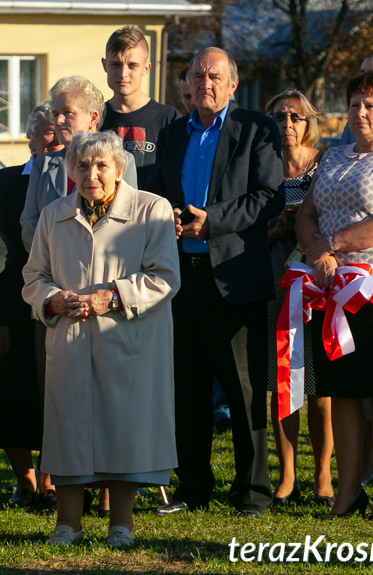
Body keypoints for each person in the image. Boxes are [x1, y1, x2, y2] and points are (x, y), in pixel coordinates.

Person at [22, 130, 179, 547]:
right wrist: (54, 300)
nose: (91, 174)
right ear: (70, 169)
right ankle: (67, 523)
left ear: (119, 168)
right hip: (70, 339)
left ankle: (121, 524)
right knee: (68, 425)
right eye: (82, 166)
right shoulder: (54, 213)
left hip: (130, 339)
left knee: (124, 429)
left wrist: (112, 296)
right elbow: (34, 276)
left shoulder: (152, 209)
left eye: (101, 165)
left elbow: (165, 276)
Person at [148, 47, 283, 518]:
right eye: (197, 75)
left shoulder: (255, 128)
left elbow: (269, 196)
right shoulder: (170, 136)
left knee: (244, 392)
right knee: (186, 391)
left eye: (215, 76)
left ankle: (252, 493)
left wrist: (214, 223)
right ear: (185, 83)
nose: (205, 83)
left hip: (233, 278)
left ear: (231, 85)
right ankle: (194, 488)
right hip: (181, 279)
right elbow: (159, 194)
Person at [295, 70, 373, 521]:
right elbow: (307, 213)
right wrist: (316, 249)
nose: (360, 113)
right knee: (342, 390)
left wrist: (332, 245)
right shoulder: (331, 158)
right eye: (354, 104)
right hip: (331, 287)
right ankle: (348, 489)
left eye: (370, 105)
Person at [0, 103, 60, 507]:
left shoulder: (77, 179)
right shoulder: (5, 181)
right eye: (44, 131)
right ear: (29, 137)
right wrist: (1, 318)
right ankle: (24, 480)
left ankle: (51, 479)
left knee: (54, 395)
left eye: (59, 131)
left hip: (60, 306)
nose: (53, 138)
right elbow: (1, 252)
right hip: (14, 304)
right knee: (13, 394)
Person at [262, 89, 334, 506]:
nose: (286, 124)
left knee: (319, 385)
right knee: (282, 381)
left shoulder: (327, 164)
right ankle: (287, 476)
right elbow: (250, 223)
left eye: (295, 116)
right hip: (273, 277)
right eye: (278, 116)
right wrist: (279, 228)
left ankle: (323, 475)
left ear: (310, 122)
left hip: (316, 281)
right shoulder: (262, 166)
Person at [20, 75, 137, 253]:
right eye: (55, 114)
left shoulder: (121, 160)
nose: (58, 121)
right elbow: (29, 224)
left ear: (93, 118)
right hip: (53, 270)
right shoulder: (42, 165)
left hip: (105, 268)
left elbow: (127, 221)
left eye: (68, 113)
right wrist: (53, 262)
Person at [100, 26, 180, 185]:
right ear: (104, 65)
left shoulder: (169, 119)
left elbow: (177, 176)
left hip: (151, 209)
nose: (123, 73)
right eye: (116, 64)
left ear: (146, 68)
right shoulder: (93, 118)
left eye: (132, 65)